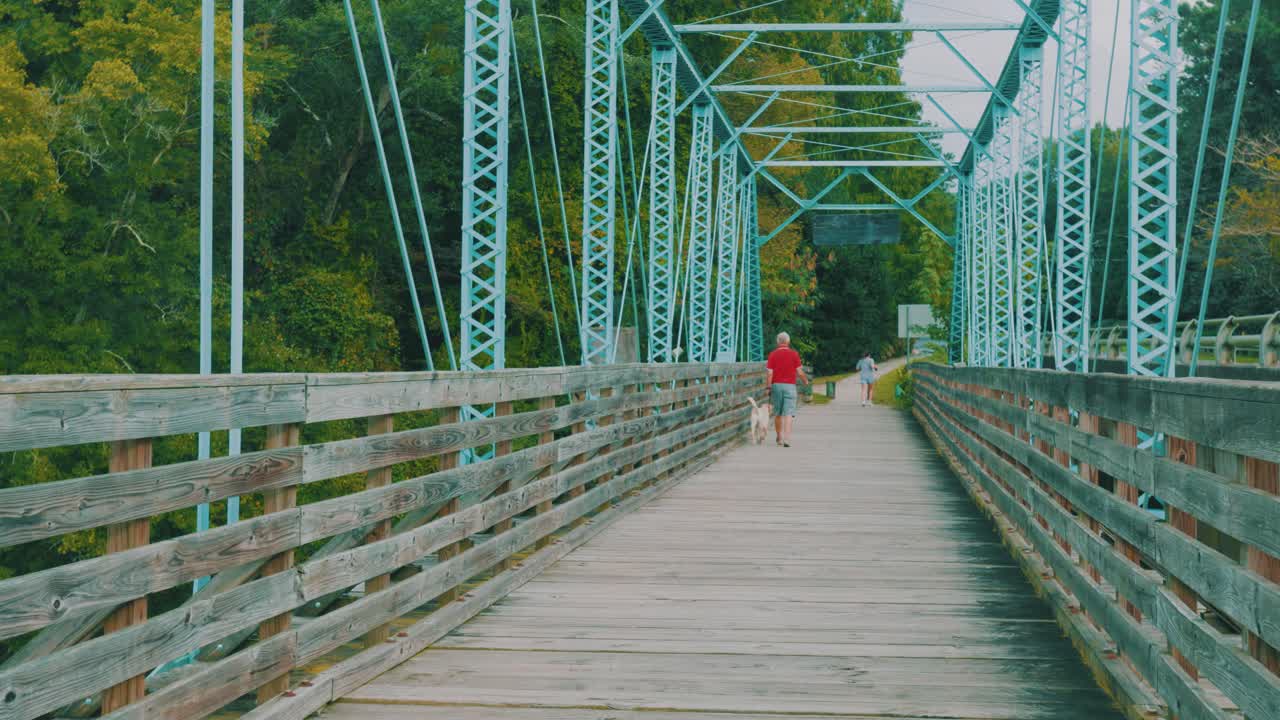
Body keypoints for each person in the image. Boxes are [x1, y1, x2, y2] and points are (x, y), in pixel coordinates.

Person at [766, 332, 809, 447]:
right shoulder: (794, 354)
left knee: (778, 413)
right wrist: (805, 381)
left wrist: (768, 387)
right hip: (790, 386)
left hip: (776, 386)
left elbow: (770, 373)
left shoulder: (772, 355)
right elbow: (799, 372)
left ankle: (779, 437)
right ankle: (787, 439)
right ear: (788, 342)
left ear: (777, 342)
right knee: (788, 413)